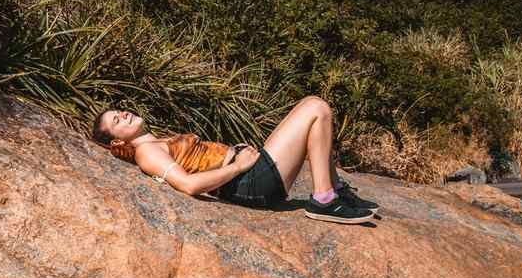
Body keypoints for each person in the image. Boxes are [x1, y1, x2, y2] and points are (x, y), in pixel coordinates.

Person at [91, 96, 378, 224]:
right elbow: (189, 185)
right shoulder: (146, 152)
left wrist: (234, 152)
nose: (125, 114)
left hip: (248, 176)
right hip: (250, 183)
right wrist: (238, 165)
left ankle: (333, 189)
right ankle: (325, 200)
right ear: (118, 141)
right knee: (316, 108)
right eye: (117, 120)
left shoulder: (156, 141)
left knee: (310, 107)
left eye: (121, 111)